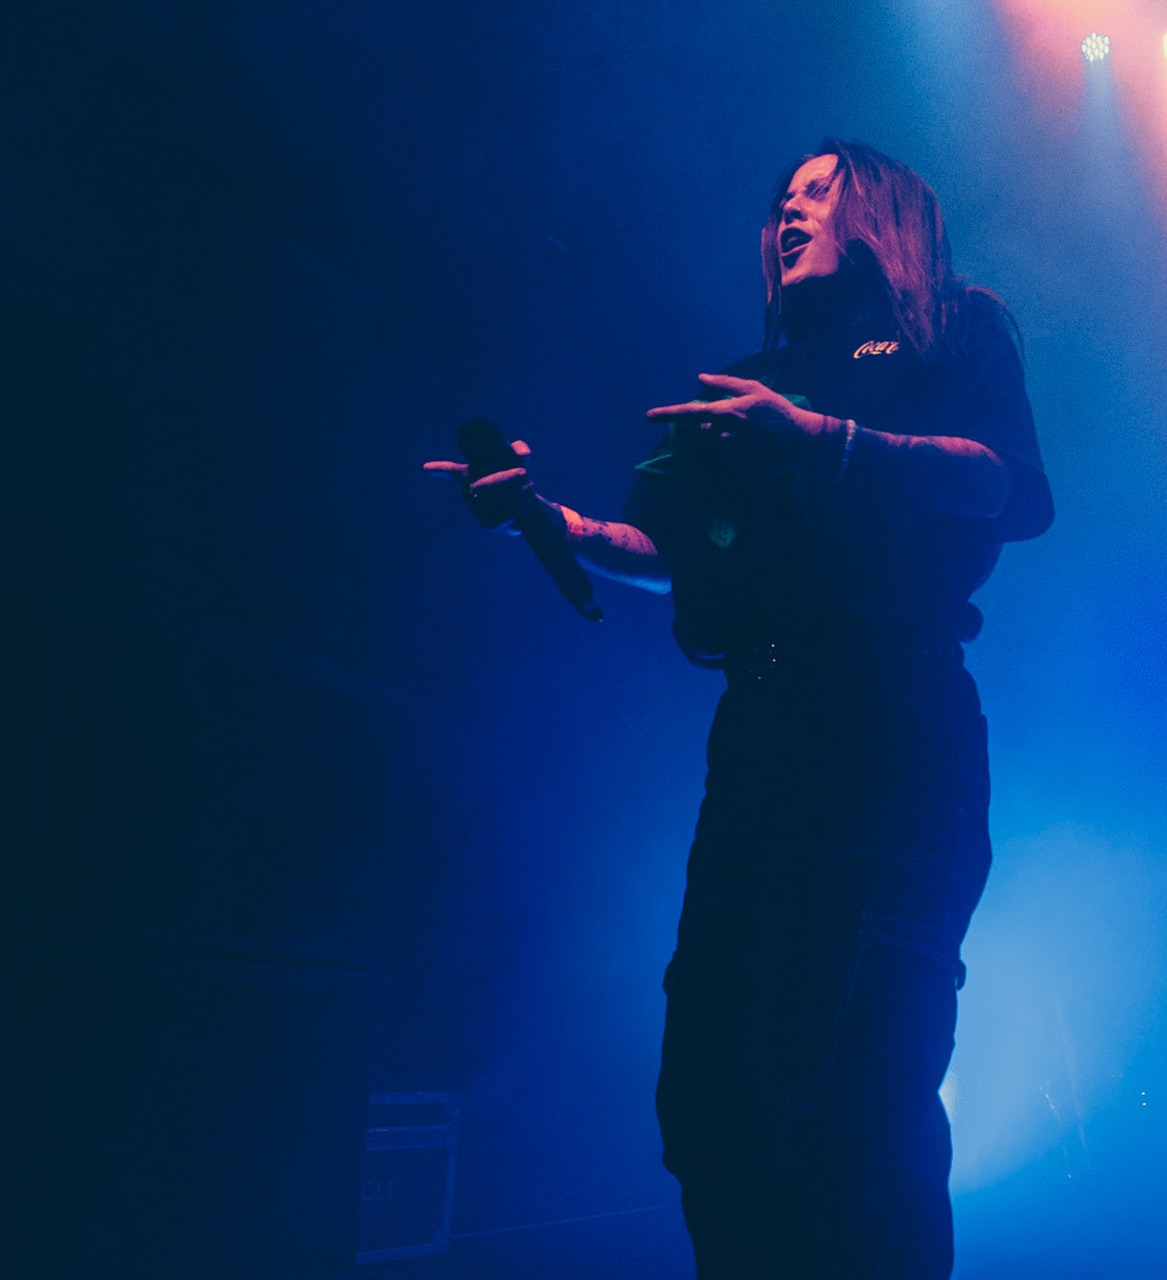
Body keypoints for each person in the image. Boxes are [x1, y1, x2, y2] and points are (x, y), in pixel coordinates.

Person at [426, 139, 1051, 1278]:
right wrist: (545, 520)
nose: (789, 212)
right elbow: (656, 545)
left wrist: (821, 437)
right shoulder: (736, 383)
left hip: (894, 721)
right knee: (710, 1090)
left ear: (881, 213)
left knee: (859, 1094)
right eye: (781, 201)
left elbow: (1003, 484)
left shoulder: (953, 330)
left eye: (817, 191)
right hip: (762, 731)